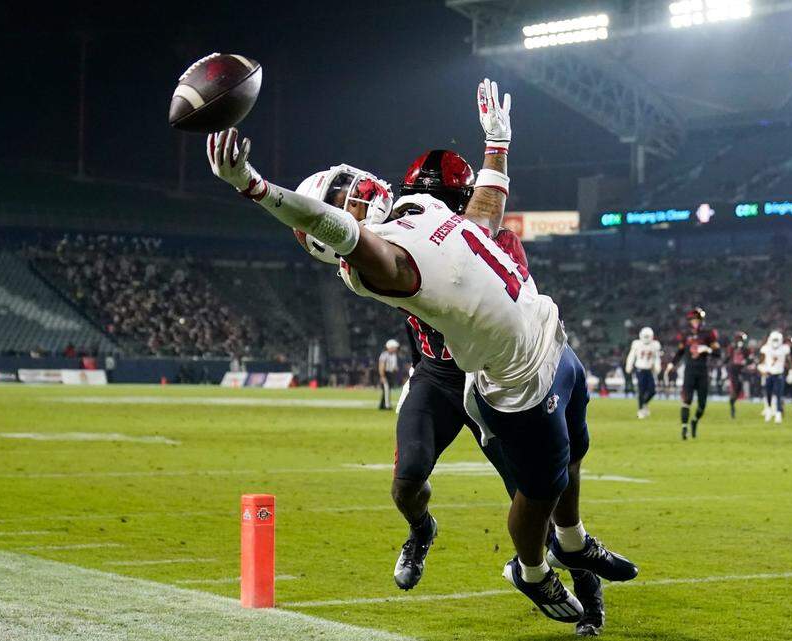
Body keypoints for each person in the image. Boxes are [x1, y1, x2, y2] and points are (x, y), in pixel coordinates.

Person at [206, 79, 634, 627]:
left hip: (507, 361)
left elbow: (476, 225)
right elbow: (343, 232)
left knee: (546, 483)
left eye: (344, 187)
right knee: (429, 479)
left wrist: (497, 149)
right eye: (339, 202)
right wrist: (257, 187)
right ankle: (439, 536)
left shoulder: (426, 211)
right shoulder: (375, 259)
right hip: (453, 375)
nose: (355, 194)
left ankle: (579, 578)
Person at [666, 308, 720, 440]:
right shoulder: (685, 335)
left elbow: (718, 354)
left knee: (702, 404)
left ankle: (694, 421)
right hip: (689, 371)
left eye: (697, 320)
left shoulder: (708, 334)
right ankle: (684, 428)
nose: (695, 322)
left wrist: (707, 349)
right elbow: (680, 352)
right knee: (686, 400)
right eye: (693, 320)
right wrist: (672, 364)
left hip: (702, 371)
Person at [624, 326, 661, 419]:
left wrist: (657, 367)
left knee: (652, 391)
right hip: (639, 369)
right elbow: (631, 356)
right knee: (641, 390)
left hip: (649, 370)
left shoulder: (655, 345)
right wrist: (629, 365)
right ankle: (640, 410)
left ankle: (644, 404)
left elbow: (656, 358)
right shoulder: (637, 344)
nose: (646, 338)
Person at [758, 330, 790, 423]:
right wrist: (761, 369)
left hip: (779, 374)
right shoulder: (766, 348)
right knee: (768, 394)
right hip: (769, 374)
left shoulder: (784, 348)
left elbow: (788, 361)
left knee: (779, 395)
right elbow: (761, 361)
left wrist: (790, 371)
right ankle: (768, 410)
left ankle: (778, 413)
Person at [725, 331, 752, 419]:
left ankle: (732, 402)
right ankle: (732, 408)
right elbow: (728, 357)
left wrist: (746, 361)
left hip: (742, 370)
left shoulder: (746, 349)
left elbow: (750, 359)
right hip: (734, 370)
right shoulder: (732, 347)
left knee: (739, 389)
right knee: (735, 386)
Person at [378, 338, 402, 410]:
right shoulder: (384, 355)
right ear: (390, 347)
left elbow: (393, 366)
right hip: (386, 373)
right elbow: (381, 366)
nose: (396, 349)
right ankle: (387, 405)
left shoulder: (394, 355)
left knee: (387, 389)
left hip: (391, 374)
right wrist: (382, 376)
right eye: (394, 347)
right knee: (386, 389)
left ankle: (382, 405)